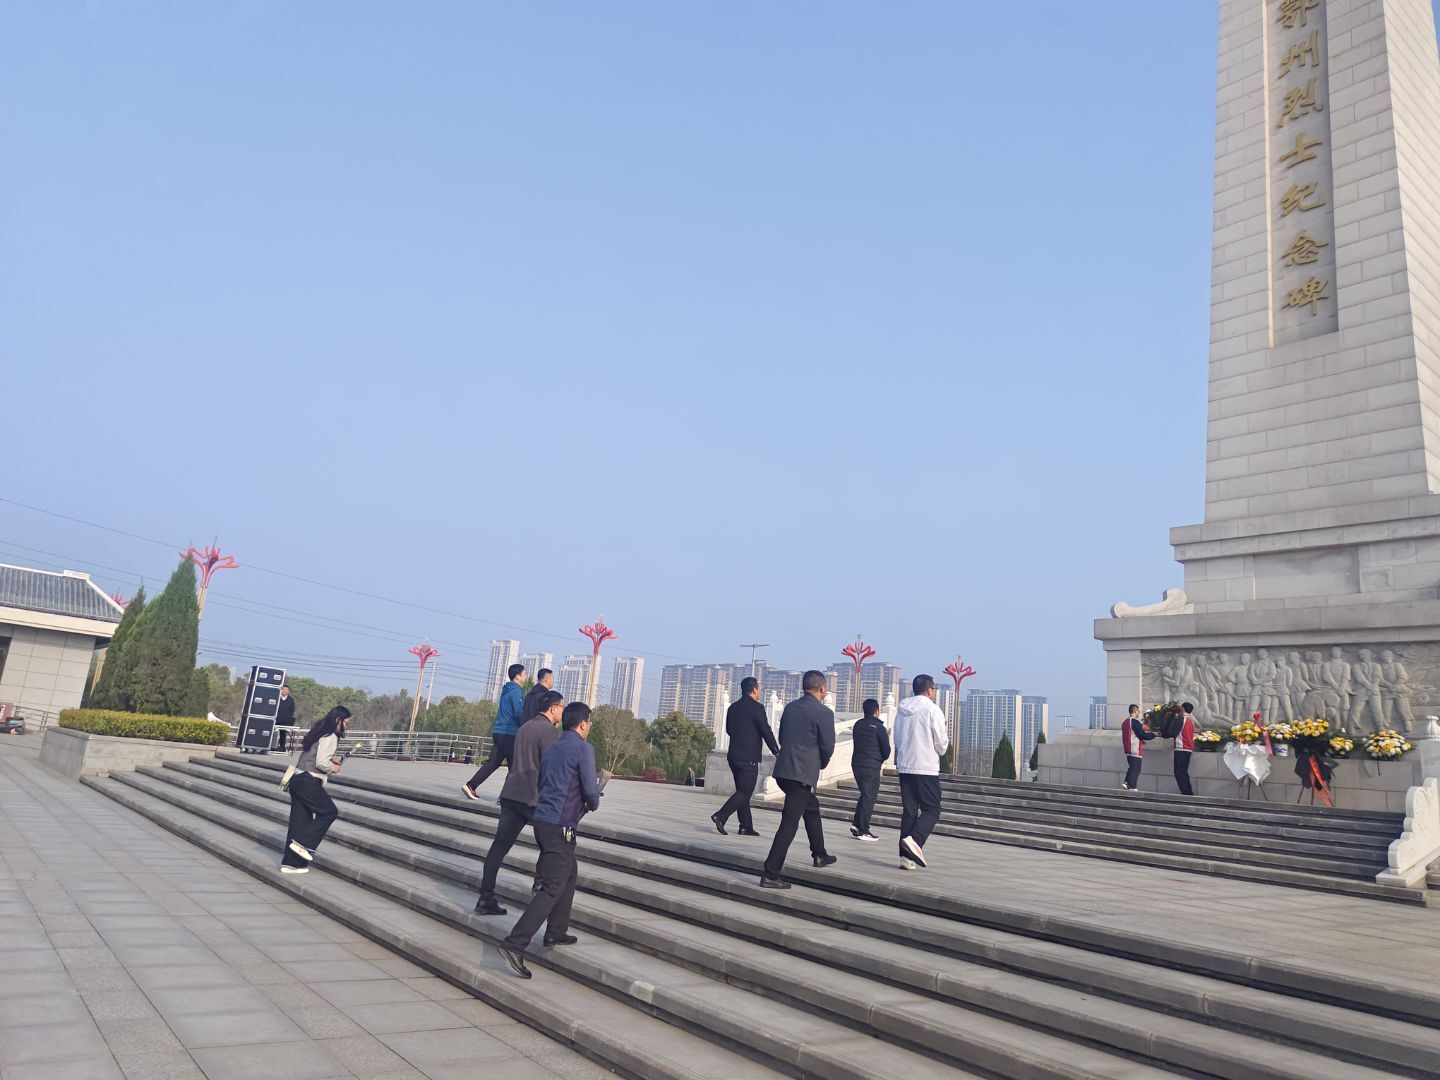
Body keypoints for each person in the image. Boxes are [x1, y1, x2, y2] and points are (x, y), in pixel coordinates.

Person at [497, 702, 601, 978]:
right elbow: (590, 791)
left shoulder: (553, 747)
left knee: (569, 872)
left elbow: (544, 781)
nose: (589, 727)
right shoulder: (584, 749)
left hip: (542, 820)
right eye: (589, 723)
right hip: (561, 824)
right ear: (583, 724)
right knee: (553, 887)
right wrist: (594, 800)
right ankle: (515, 943)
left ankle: (556, 931)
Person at [474, 690, 564, 915]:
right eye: (562, 707)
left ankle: (485, 897)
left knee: (499, 847)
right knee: (551, 844)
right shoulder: (550, 732)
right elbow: (551, 768)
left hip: (511, 794)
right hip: (533, 798)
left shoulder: (524, 728)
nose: (562, 712)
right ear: (553, 708)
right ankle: (540, 887)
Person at [759, 670, 836, 889]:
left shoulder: (791, 708)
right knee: (789, 822)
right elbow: (828, 746)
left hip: (784, 771)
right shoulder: (823, 713)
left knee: (811, 807)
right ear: (822, 688)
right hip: (801, 774)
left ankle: (819, 853)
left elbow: (782, 737)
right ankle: (770, 873)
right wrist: (821, 763)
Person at [281, 706, 352, 874]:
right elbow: (321, 763)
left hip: (297, 779)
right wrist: (333, 768)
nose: (346, 726)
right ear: (338, 720)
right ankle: (304, 844)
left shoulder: (318, 732)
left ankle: (291, 864)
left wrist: (332, 759)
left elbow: (314, 755)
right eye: (346, 723)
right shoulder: (331, 736)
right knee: (329, 812)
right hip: (309, 781)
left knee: (299, 823)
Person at [892, 674, 949, 870]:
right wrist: (941, 749)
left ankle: (906, 858)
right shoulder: (933, 710)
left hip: (905, 765)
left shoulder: (901, 710)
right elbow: (940, 742)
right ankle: (915, 840)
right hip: (925, 766)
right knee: (932, 809)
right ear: (930, 690)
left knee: (909, 811)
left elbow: (897, 738)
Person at [711, 676, 778, 837]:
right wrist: (776, 751)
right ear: (754, 689)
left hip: (733, 756)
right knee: (745, 791)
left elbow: (729, 730)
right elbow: (766, 731)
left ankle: (745, 826)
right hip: (749, 757)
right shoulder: (757, 708)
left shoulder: (733, 708)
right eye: (759, 688)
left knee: (742, 791)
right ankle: (721, 816)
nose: (759, 691)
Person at [462, 663, 527, 799]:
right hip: (510, 733)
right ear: (517, 676)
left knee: (493, 762)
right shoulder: (516, 691)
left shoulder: (507, 689)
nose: (525, 676)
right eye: (524, 674)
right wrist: (527, 726)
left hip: (499, 731)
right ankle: (505, 798)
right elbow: (518, 713)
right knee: (514, 767)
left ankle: (471, 785)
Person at [849, 698, 890, 842]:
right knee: (869, 797)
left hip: (856, 764)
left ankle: (856, 824)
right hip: (871, 766)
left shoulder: (858, 724)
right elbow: (886, 750)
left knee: (865, 795)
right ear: (877, 711)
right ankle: (864, 830)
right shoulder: (879, 727)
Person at [1119, 704, 1154, 790]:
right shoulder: (1135, 722)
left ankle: (1126, 782)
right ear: (1135, 711)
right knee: (1136, 768)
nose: (1139, 712)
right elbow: (1142, 734)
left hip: (1127, 748)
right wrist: (1153, 735)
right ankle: (1133, 786)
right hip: (1135, 748)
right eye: (1138, 710)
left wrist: (1141, 740)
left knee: (1132, 767)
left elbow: (1132, 734)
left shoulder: (1125, 722)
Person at [1173, 701, 1197, 796]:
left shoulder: (1181, 719)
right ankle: (1188, 791)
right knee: (1183, 771)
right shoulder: (1191, 721)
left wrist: (1163, 733)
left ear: (1183, 708)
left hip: (1181, 747)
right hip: (1188, 749)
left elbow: (1174, 732)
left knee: (1179, 771)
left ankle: (1186, 792)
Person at [276, 685, 295, 752]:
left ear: (288, 691)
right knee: (273, 733)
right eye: (283, 689)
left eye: (286, 689)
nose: (284, 691)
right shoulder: (277, 698)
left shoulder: (291, 700)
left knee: (282, 734)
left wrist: (288, 719)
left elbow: (292, 711)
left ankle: (282, 748)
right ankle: (271, 746)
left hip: (285, 721)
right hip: (276, 720)